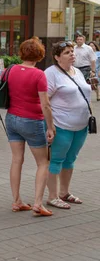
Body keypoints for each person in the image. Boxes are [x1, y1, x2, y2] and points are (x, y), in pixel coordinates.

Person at [3, 38, 55, 217]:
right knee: (43, 162)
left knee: (17, 160)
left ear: (22, 53)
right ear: (40, 55)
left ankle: (16, 200)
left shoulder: (10, 70)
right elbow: (45, 104)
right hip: (32, 121)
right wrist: (50, 127)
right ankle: (38, 203)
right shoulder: (39, 75)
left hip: (11, 118)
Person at [45, 41, 91, 210]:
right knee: (56, 159)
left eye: (72, 51)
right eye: (66, 52)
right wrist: (49, 125)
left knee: (70, 159)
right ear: (57, 57)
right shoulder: (51, 73)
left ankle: (64, 192)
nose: (72, 54)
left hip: (81, 125)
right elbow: (44, 101)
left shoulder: (77, 71)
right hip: (61, 125)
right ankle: (52, 196)